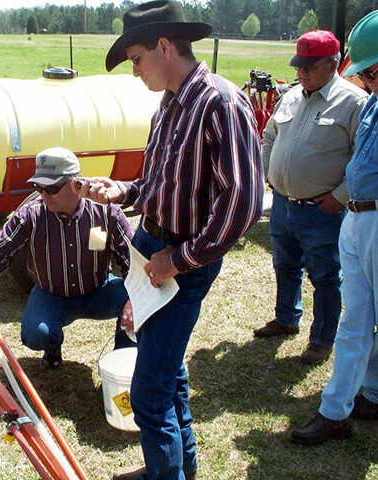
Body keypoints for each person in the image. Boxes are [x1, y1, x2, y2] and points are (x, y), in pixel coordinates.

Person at [74, 2, 264, 478]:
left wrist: (177, 261)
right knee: (168, 372)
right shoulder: (170, 104)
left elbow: (240, 206)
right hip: (152, 248)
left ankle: (166, 473)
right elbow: (161, 184)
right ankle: (179, 468)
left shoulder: (222, 103)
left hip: (181, 261)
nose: (135, 71)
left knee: (149, 391)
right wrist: (124, 190)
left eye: (136, 58)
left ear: (164, 46)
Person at [0, 146, 135, 370]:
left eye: (51, 188)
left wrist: (134, 300)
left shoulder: (106, 213)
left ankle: (123, 361)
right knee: (35, 334)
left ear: (77, 183)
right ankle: (52, 347)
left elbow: (131, 258)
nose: (44, 195)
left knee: (139, 305)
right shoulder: (30, 215)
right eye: (38, 187)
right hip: (51, 295)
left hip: (99, 290)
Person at [253, 30, 368, 364]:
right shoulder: (291, 95)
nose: (301, 72)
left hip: (322, 209)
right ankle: (287, 317)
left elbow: (363, 158)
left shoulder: (354, 102)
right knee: (284, 264)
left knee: (325, 276)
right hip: (284, 204)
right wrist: (264, 175)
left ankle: (321, 339)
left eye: (309, 66)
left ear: (333, 64)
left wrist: (341, 197)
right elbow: (270, 135)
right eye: (298, 65)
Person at [291, 9, 378, 445]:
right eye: (367, 73)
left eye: (375, 72)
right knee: (356, 320)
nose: (368, 80)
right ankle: (342, 408)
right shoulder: (373, 105)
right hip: (359, 219)